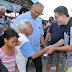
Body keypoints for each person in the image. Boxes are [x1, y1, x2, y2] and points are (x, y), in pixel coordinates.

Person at [11, 2, 46, 72]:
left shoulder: (39, 20)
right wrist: (14, 41)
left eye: (39, 13)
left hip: (36, 49)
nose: (36, 15)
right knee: (23, 66)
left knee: (39, 68)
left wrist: (45, 46)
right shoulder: (22, 17)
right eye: (36, 12)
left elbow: (41, 35)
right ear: (32, 7)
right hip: (24, 49)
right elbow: (12, 30)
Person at [46, 6, 72, 72]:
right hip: (69, 60)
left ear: (63, 16)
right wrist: (52, 46)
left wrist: (54, 48)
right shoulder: (67, 25)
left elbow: (71, 47)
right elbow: (63, 40)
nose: (55, 20)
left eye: (56, 17)